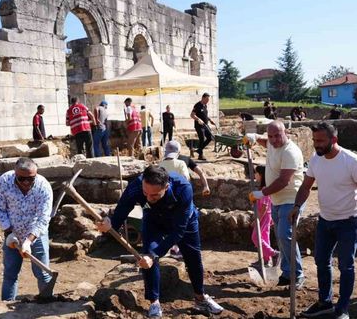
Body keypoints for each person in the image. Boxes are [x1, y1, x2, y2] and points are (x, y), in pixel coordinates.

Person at [95, 166, 224, 317]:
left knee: (193, 257)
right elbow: (123, 208)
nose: (149, 198)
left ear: (166, 186)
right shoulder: (136, 185)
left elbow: (178, 231)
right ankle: (154, 302)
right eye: (145, 193)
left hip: (184, 222)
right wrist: (110, 223)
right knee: (147, 256)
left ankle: (200, 298)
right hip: (153, 220)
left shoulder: (183, 188)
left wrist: (155, 254)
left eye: (155, 195)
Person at [290, 122, 357, 319]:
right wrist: (296, 206)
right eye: (314, 140)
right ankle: (325, 302)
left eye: (320, 141)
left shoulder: (352, 161)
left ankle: (342, 308)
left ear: (334, 140)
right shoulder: (315, 160)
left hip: (350, 221)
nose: (316, 145)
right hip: (325, 220)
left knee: (346, 265)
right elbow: (305, 187)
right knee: (321, 261)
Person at [244, 120, 305, 288]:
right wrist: (255, 137)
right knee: (280, 236)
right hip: (276, 200)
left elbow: (284, 181)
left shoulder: (290, 152)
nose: (274, 139)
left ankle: (297, 275)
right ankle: (287, 272)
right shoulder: (272, 143)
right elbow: (265, 142)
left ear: (285, 133)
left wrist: (261, 193)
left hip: (292, 200)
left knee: (286, 235)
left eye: (277, 135)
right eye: (270, 136)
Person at [0, 157, 53, 301]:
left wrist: (28, 241)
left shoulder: (43, 187)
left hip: (36, 234)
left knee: (43, 274)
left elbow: (43, 218)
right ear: (15, 174)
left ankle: (46, 306)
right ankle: (6, 307)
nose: (26, 182)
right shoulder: (5, 181)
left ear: (36, 175)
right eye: (21, 178)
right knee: (10, 274)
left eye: (31, 179)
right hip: (12, 234)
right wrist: (9, 233)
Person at [250, 165, 280, 267]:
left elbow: (264, 207)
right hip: (265, 216)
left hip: (263, 216)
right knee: (264, 237)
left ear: (261, 174)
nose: (254, 175)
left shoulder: (265, 189)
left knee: (256, 237)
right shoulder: (263, 188)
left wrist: (257, 220)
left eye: (256, 173)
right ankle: (267, 259)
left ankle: (274, 253)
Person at [191, 93, 217, 160]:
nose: (208, 101)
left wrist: (210, 120)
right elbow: (192, 115)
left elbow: (204, 115)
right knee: (202, 138)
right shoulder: (197, 105)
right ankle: (200, 155)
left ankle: (197, 150)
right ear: (203, 98)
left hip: (205, 125)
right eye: (207, 99)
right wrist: (198, 119)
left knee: (210, 138)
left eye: (208, 99)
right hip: (199, 126)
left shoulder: (205, 105)